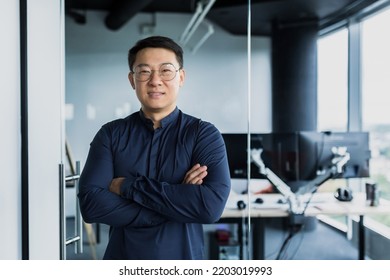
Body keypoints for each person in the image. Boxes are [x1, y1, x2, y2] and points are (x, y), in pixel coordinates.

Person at [78, 35, 231, 260]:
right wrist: (177, 201)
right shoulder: (111, 134)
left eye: (166, 70)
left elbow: (210, 208)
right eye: (145, 71)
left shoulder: (203, 134)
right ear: (132, 80)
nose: (155, 80)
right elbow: (91, 205)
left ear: (181, 77)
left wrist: (128, 187)